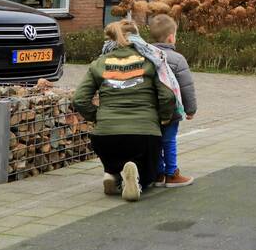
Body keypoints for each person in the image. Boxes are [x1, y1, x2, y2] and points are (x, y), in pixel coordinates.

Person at [74, 19, 181, 201]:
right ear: (136, 37)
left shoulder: (99, 63)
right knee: (149, 175)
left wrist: (97, 117)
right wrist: (163, 117)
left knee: (114, 155)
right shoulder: (150, 60)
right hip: (144, 133)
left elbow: (79, 99)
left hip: (106, 136)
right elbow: (167, 96)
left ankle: (113, 173)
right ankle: (137, 180)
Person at [148, 14, 197, 188]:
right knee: (169, 140)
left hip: (150, 109)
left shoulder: (146, 56)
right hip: (172, 110)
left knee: (154, 141)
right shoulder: (177, 59)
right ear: (171, 37)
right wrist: (190, 110)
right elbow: (186, 87)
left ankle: (158, 173)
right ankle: (172, 174)